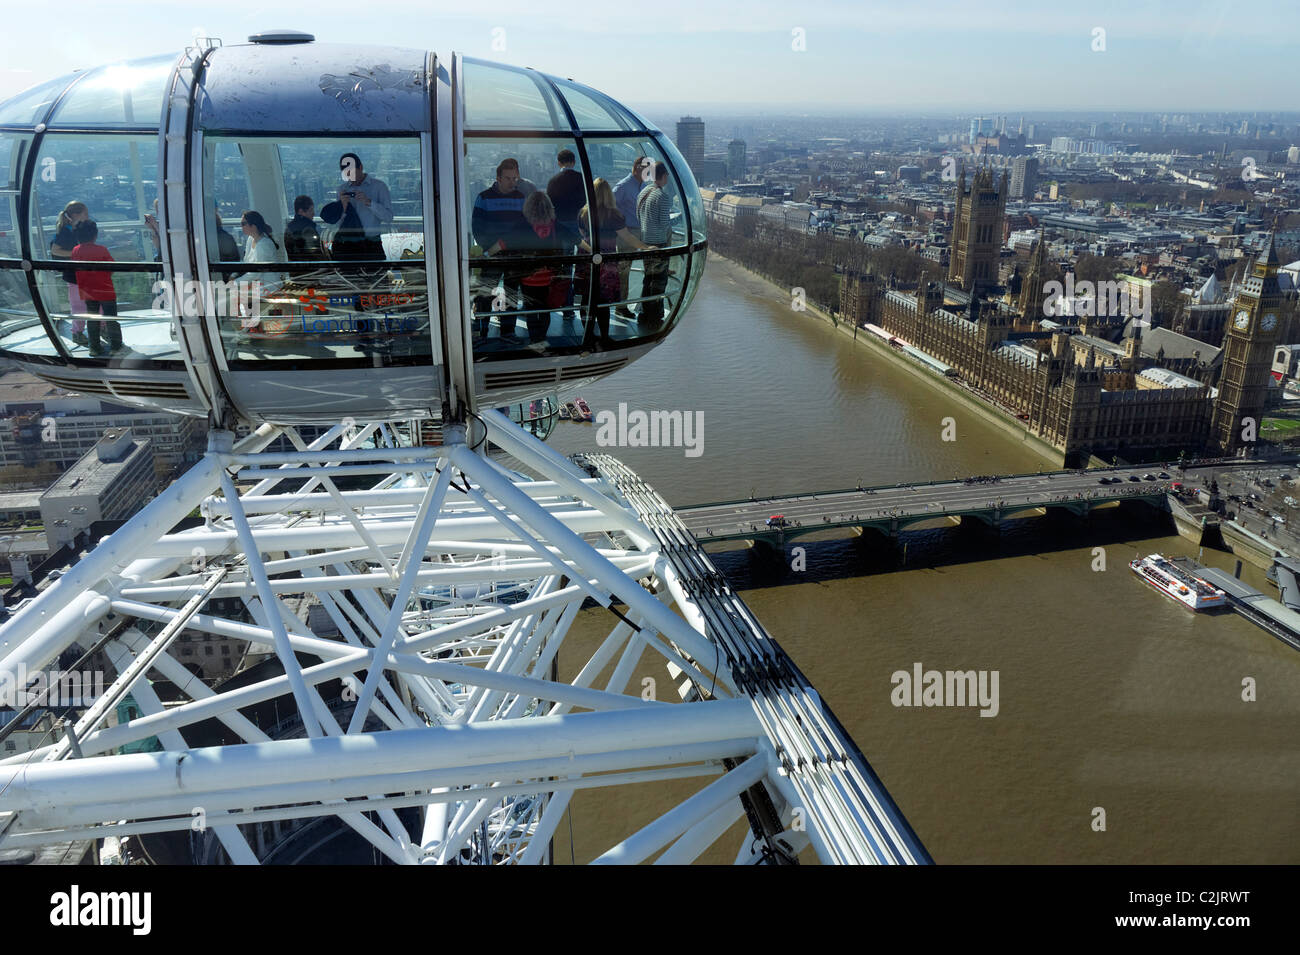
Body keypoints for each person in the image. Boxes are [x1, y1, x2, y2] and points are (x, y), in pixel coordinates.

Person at [579, 177, 653, 348]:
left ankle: (588, 335)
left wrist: (590, 249)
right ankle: (604, 336)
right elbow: (627, 237)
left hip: (587, 257)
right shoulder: (614, 215)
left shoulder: (583, 212)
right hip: (607, 259)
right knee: (603, 300)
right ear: (608, 195)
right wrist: (646, 247)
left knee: (586, 298)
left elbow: (581, 235)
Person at [471, 158, 530, 340]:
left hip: (514, 254)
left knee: (511, 294)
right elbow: (477, 228)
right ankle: (483, 329)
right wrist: (489, 248)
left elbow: (525, 226)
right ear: (498, 178)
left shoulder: (521, 197)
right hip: (492, 255)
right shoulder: (484, 197)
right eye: (508, 178)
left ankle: (508, 330)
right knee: (486, 294)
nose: (513, 182)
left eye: (515, 178)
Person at [514, 192, 579, 346]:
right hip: (548, 278)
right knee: (545, 309)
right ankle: (542, 338)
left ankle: (534, 339)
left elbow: (504, 242)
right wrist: (594, 250)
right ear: (549, 207)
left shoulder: (523, 224)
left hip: (528, 278)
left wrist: (486, 253)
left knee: (531, 310)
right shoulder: (555, 224)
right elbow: (576, 239)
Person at [325, 153, 392, 261]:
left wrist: (369, 202)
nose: (351, 178)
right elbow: (338, 223)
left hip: (372, 243)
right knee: (349, 276)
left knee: (376, 275)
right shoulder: (342, 189)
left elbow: (388, 217)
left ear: (360, 168)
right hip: (349, 243)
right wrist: (342, 206)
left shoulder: (379, 187)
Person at [71, 220, 123, 357]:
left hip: (88, 291)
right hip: (105, 289)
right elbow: (112, 267)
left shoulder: (76, 251)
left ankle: (94, 347)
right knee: (111, 318)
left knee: (92, 319)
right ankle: (116, 346)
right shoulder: (102, 249)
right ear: (95, 235)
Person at [636, 161, 673, 328]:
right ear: (664, 176)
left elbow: (638, 215)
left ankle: (644, 311)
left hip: (645, 241)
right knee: (658, 281)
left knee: (648, 278)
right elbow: (664, 223)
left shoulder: (644, 192)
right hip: (658, 243)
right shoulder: (662, 197)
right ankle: (654, 314)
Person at [613, 157, 651, 318]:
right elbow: (610, 208)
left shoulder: (642, 185)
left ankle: (644, 305)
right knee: (624, 272)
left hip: (641, 231)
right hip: (627, 234)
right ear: (636, 168)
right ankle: (621, 307)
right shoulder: (623, 186)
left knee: (648, 269)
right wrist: (620, 227)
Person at [51, 201, 90, 345]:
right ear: (76, 215)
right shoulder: (67, 232)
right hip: (75, 276)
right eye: (85, 213)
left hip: (78, 275)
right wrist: (76, 254)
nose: (87, 216)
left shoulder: (74, 229)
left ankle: (82, 331)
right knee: (79, 305)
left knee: (82, 304)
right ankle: (77, 332)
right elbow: (55, 250)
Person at [239, 211, 283, 324]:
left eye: (243, 224)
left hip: (268, 287)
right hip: (257, 285)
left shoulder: (264, 245)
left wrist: (235, 282)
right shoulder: (251, 240)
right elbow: (246, 263)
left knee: (235, 295)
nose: (241, 227)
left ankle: (251, 327)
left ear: (253, 226)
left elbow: (256, 273)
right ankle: (250, 326)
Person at [283, 195, 324, 260]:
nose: (313, 213)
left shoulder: (289, 227)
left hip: (296, 266)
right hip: (311, 267)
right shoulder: (308, 228)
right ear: (301, 211)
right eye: (310, 210)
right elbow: (315, 251)